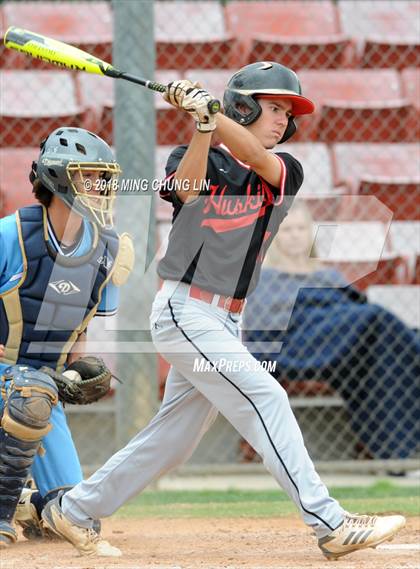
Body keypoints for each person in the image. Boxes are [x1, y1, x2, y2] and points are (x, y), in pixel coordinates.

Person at [41, 63, 405, 561]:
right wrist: (203, 126)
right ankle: (330, 522)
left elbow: (254, 154)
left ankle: (74, 510)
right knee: (267, 397)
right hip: (186, 310)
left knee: (174, 442)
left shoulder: (284, 171)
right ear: (244, 106)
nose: (282, 120)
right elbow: (187, 191)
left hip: (227, 319)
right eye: (273, 108)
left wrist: (206, 107)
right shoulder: (192, 156)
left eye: (286, 112)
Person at [0, 126, 134, 547]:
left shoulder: (109, 251)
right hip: (4, 373)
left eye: (101, 177)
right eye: (88, 176)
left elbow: (83, 328)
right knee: (29, 388)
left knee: (74, 514)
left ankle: (27, 503)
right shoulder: (11, 236)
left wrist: (77, 372)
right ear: (58, 179)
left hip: (40, 389)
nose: (99, 186)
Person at [243, 200, 420, 462]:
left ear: (311, 232)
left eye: (301, 229)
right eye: (287, 230)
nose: (295, 236)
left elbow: (349, 313)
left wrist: (337, 316)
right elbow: (264, 330)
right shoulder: (265, 277)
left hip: (345, 345)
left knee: (384, 359)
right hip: (297, 346)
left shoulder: (329, 276)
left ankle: (396, 453)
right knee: (375, 318)